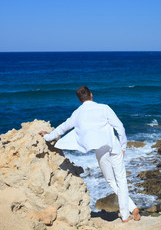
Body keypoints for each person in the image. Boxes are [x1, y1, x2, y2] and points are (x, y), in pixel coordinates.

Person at [39, 86, 140, 222]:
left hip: (101, 151)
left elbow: (63, 128)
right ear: (91, 95)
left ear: (80, 99)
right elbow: (120, 127)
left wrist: (47, 136)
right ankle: (130, 211)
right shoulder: (104, 108)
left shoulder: (77, 113)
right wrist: (123, 147)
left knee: (111, 180)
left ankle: (129, 212)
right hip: (114, 146)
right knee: (121, 180)